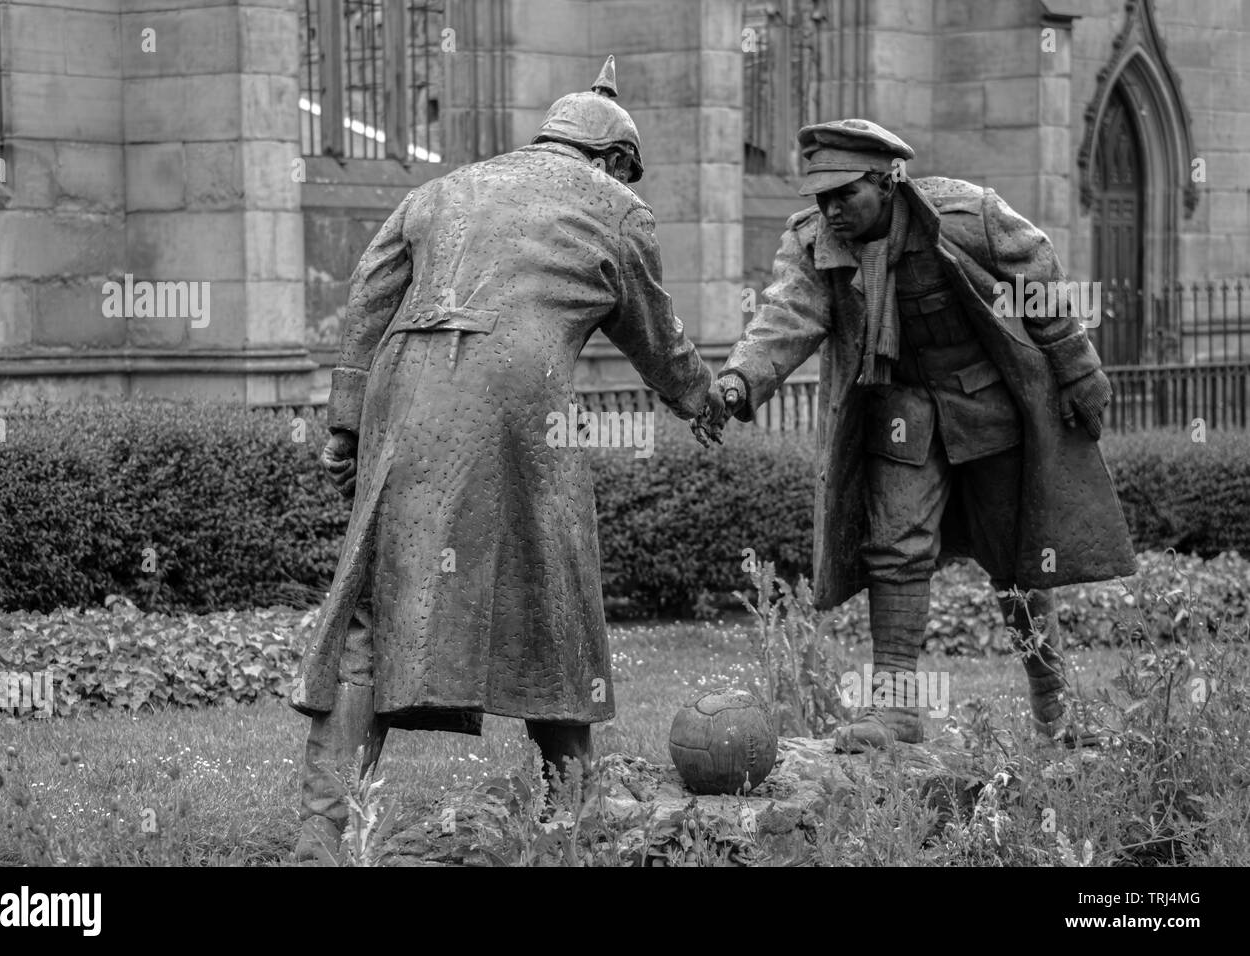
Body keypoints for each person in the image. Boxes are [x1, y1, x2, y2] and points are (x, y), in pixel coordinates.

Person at [290, 57, 721, 863]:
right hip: (520, 396)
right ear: (616, 161)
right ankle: (572, 797)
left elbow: (369, 295)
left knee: (372, 601)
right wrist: (700, 398)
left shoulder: (446, 187)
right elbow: (655, 335)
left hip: (405, 389)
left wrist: (346, 422)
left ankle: (322, 831)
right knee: (551, 580)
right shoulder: (618, 208)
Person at [702, 118, 1136, 752]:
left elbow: (1037, 277)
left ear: (887, 182)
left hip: (986, 405)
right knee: (895, 547)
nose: (831, 209)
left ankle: (1056, 706)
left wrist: (1077, 367)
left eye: (844, 193)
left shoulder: (967, 216)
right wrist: (739, 381)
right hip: (900, 410)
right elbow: (785, 314)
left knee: (1019, 557)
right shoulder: (814, 242)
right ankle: (897, 710)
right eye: (821, 197)